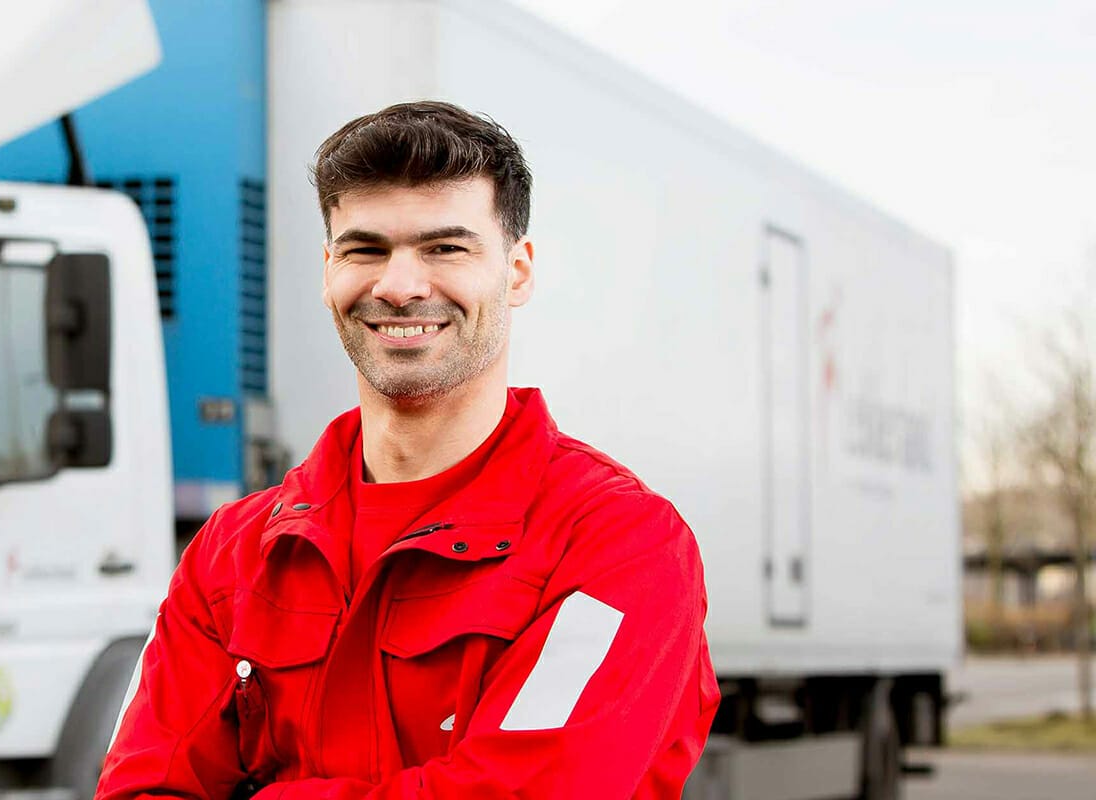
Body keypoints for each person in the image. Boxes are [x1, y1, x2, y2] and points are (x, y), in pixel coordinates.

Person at [96, 101, 719, 799]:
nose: (399, 286)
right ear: (328, 270)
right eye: (366, 249)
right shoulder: (230, 557)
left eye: (445, 248)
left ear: (517, 273)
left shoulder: (619, 546)